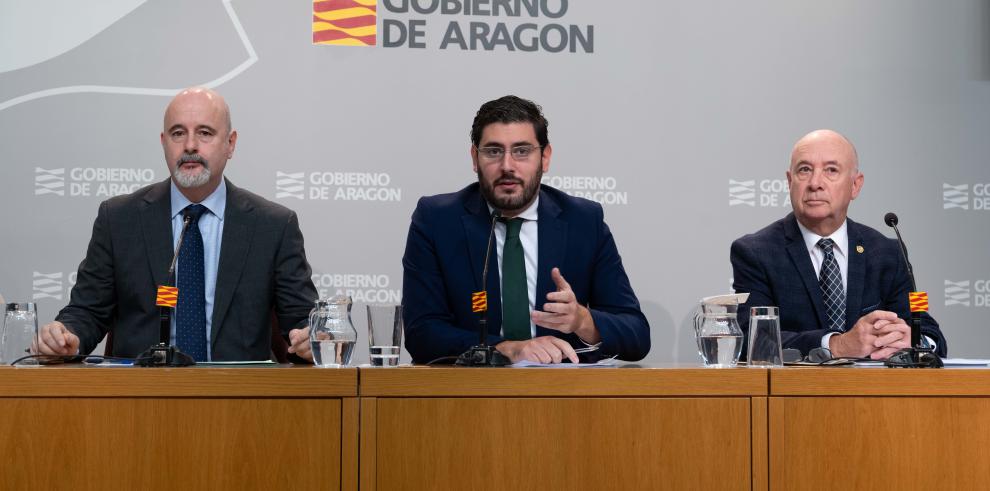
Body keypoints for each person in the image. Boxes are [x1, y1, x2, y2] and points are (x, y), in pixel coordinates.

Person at [34, 87, 318, 362]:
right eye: (178, 133)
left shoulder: (272, 226)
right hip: (142, 397)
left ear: (230, 144)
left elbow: (303, 319)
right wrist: (66, 336)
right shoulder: (120, 219)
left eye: (205, 133)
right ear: (163, 141)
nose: (190, 145)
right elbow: (88, 311)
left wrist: (311, 338)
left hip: (239, 398)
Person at [402, 95, 650, 364]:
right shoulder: (438, 221)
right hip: (469, 393)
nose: (507, 166)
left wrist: (583, 320)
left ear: (545, 157)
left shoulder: (583, 221)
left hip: (560, 395)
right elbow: (421, 333)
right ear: (475, 158)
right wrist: (508, 348)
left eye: (522, 151)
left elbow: (636, 335)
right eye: (494, 151)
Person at [730, 129, 947, 359]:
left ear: (855, 185)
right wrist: (836, 345)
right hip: (795, 393)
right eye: (804, 170)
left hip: (874, 393)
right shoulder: (755, 252)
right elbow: (751, 339)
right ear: (789, 181)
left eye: (831, 170)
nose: (815, 183)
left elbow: (927, 327)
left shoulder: (889, 252)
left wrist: (915, 341)